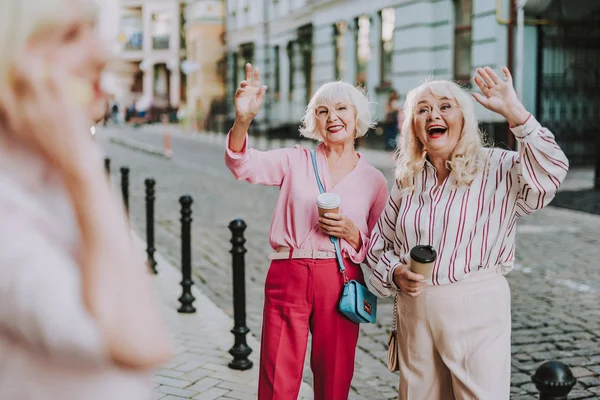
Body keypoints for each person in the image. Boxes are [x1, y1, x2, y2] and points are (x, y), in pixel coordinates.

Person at [0, 0, 173, 398]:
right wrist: (82, 167)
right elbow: (144, 342)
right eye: (69, 35)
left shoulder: (48, 171)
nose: (102, 54)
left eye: (91, 29)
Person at [367, 66, 569, 400]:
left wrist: (515, 114)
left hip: (476, 308)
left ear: (464, 119)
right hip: (415, 312)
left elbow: (552, 172)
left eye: (445, 106)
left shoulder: (497, 168)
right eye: (423, 109)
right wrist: (395, 272)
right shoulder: (407, 181)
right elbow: (378, 247)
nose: (434, 114)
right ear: (414, 127)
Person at [225, 63, 389, 400]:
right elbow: (242, 164)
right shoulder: (294, 160)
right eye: (323, 111)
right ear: (315, 121)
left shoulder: (374, 180)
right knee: (277, 376)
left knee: (334, 377)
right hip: (289, 272)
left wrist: (352, 233)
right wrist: (243, 120)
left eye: (341, 109)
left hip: (341, 277)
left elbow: (381, 246)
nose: (333, 117)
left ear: (356, 116)